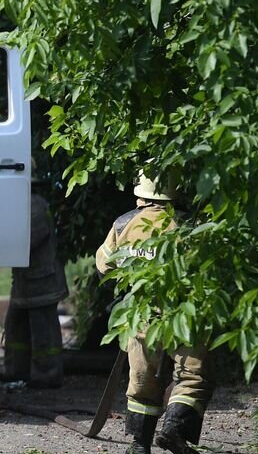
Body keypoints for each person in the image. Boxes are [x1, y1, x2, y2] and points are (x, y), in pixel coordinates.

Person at [95, 174, 212, 454]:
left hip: (142, 312)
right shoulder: (189, 224)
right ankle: (174, 430)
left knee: (143, 381)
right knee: (193, 377)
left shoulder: (124, 223)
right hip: (185, 313)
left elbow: (103, 265)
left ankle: (139, 444)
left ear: (140, 191)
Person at [0, 187, 68, 387]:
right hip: (25, 280)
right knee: (15, 327)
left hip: (42, 280)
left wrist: (0, 244)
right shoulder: (21, 202)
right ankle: (16, 371)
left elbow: (32, 236)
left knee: (43, 331)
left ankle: (48, 376)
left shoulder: (34, 203)